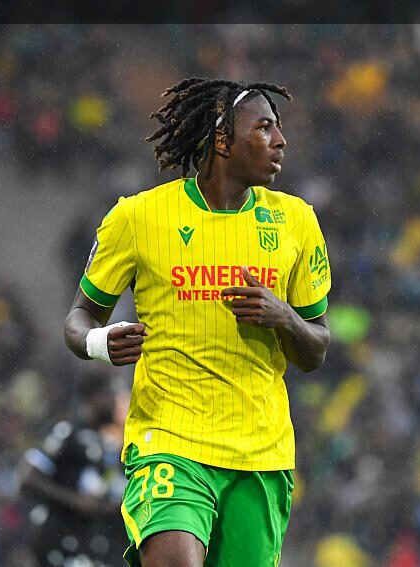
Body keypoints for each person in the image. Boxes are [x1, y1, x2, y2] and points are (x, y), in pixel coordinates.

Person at [64, 77, 332, 566]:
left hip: (260, 454)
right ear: (223, 140)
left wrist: (283, 316)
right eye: (264, 127)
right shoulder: (138, 217)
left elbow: (316, 348)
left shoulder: (296, 221)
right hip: (170, 442)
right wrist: (100, 342)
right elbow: (79, 319)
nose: (280, 140)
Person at [19, 372, 128, 566]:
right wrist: (75, 501)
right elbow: (29, 480)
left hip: (93, 548)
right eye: (112, 394)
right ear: (95, 397)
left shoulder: (111, 444)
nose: (116, 402)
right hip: (58, 543)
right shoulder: (67, 431)